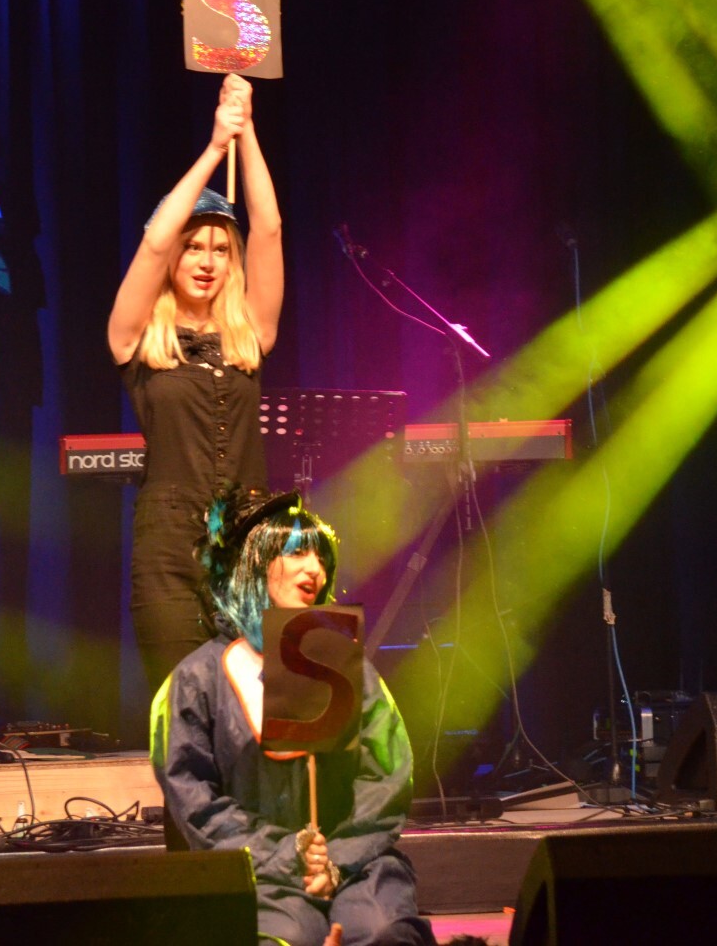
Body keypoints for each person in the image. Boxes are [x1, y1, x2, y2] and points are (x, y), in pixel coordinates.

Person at [151, 492, 434, 946]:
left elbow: (386, 777)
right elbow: (196, 800)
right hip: (258, 871)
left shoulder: (346, 667)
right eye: (298, 552)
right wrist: (290, 857)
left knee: (382, 932)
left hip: (357, 865)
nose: (316, 569)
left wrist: (335, 860)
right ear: (254, 562)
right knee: (288, 938)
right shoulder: (197, 680)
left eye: (322, 558)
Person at [109, 73, 283, 690]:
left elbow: (268, 229)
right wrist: (215, 146)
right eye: (194, 248)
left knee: (258, 709)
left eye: (220, 249)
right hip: (168, 544)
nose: (207, 262)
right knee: (183, 701)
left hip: (249, 539)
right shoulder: (136, 337)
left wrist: (246, 129)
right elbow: (154, 242)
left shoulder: (249, 333)